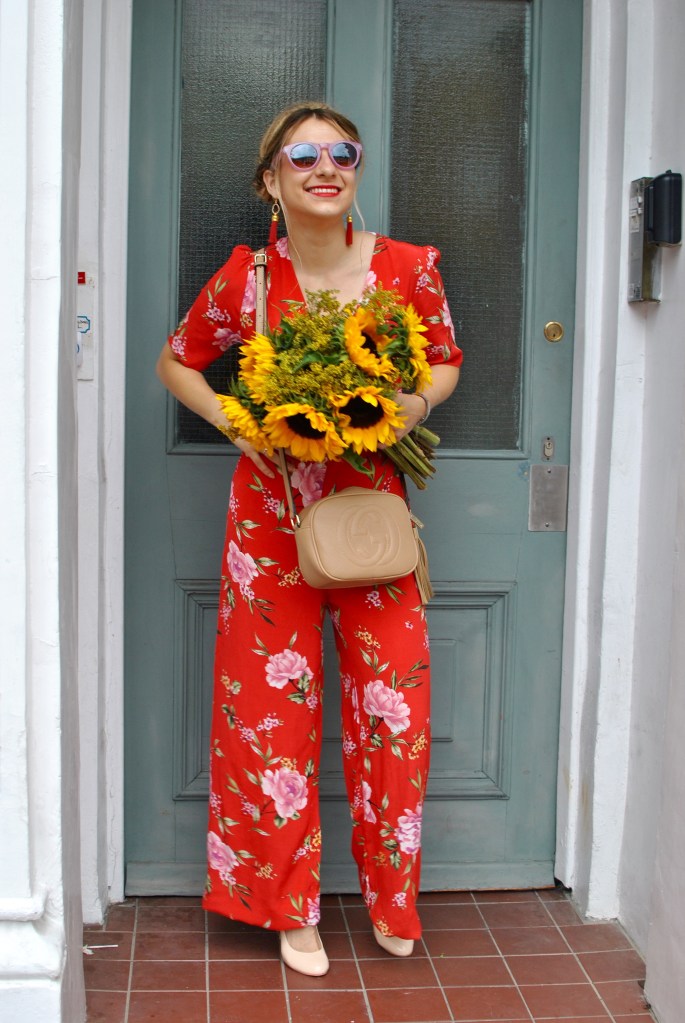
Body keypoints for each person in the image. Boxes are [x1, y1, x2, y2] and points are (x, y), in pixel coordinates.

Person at [157, 102, 462, 977]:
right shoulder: (248, 279)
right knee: (268, 720)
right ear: (272, 181)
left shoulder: (410, 269)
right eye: (302, 155)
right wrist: (235, 421)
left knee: (391, 710)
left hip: (372, 516)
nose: (324, 167)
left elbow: (443, 356)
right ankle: (288, 907)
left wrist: (411, 403)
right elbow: (177, 358)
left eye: (342, 153)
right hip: (271, 522)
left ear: (355, 171)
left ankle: (391, 900)